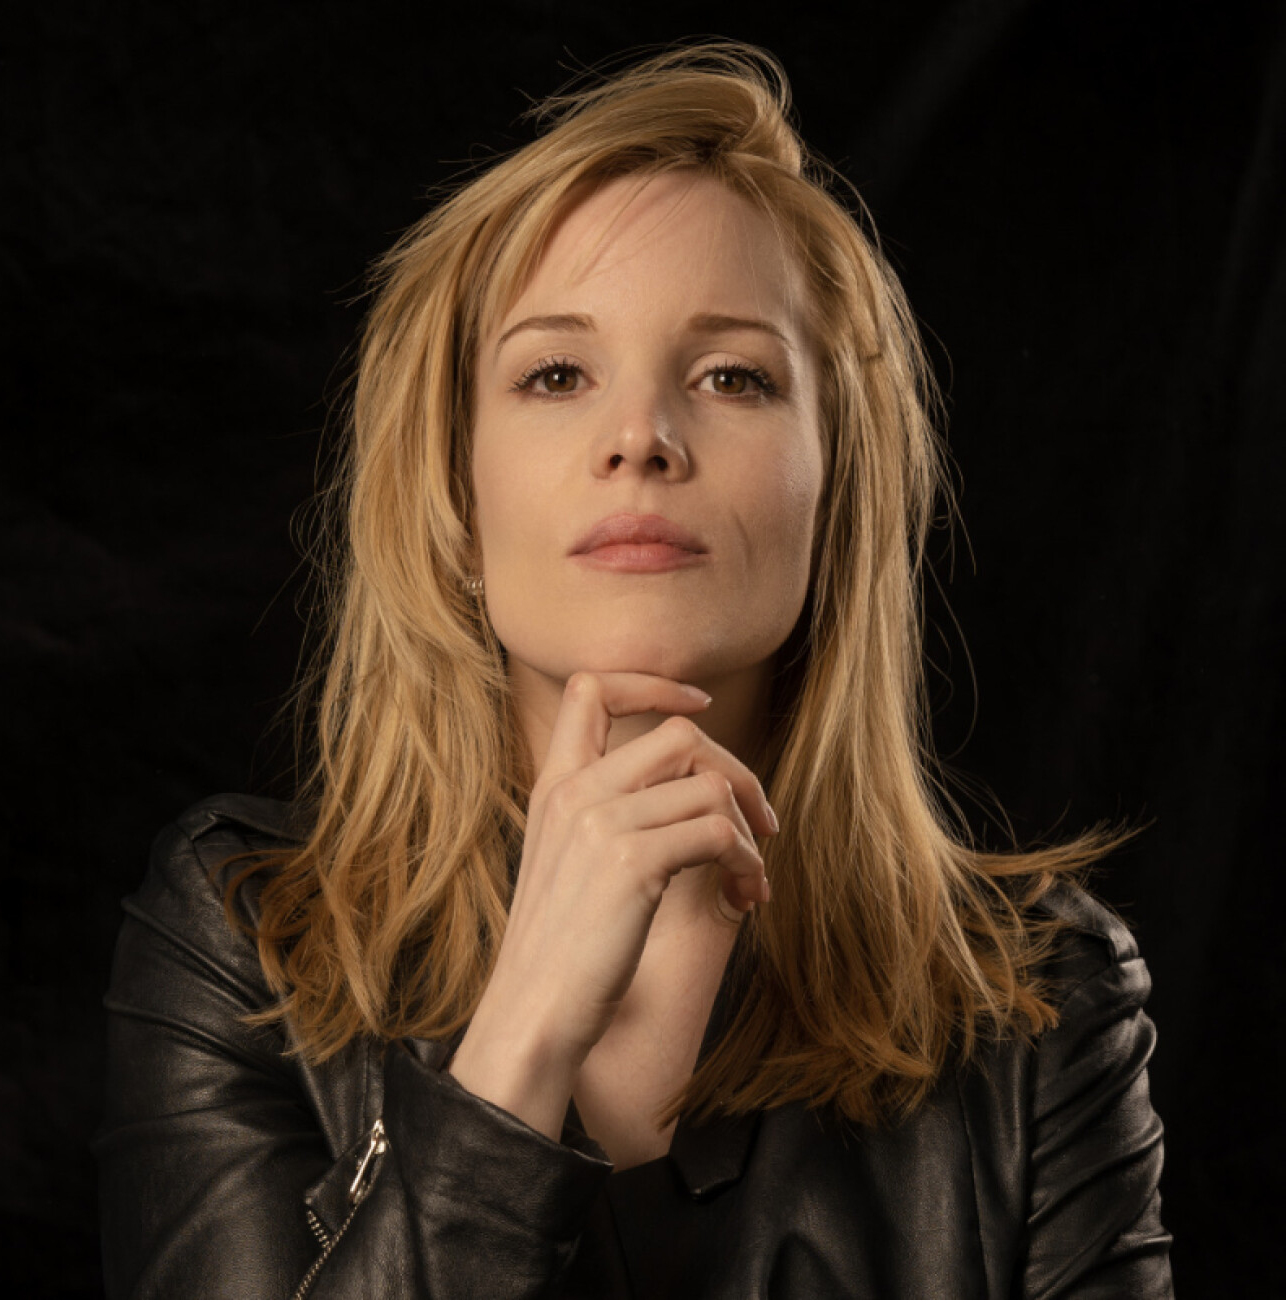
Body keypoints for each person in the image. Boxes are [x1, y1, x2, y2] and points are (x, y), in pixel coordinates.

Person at [96, 42, 1173, 1299]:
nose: (640, 438)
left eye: (732, 376)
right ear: (454, 498)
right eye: (555, 373)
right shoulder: (244, 939)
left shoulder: (1041, 1002)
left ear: (835, 493)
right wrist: (519, 1042)